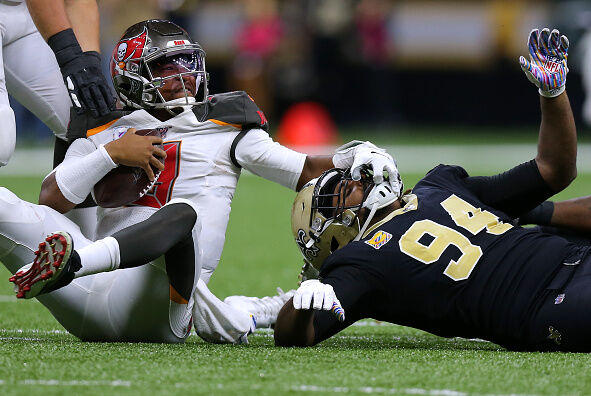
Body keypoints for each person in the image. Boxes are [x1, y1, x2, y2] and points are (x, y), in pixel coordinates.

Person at [4, 19, 399, 344]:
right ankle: (73, 263)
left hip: (158, 308)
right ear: (132, 75)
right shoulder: (107, 129)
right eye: (166, 67)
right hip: (89, 294)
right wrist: (112, 154)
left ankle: (73, 261)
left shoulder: (223, 126)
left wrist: (352, 155)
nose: (184, 76)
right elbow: (51, 197)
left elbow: (302, 170)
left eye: (186, 63)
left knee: (181, 217)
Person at [274, 28, 591, 353]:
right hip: (551, 304)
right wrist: (302, 304)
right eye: (340, 190)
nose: (355, 179)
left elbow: (554, 170)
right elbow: (293, 335)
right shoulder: (360, 262)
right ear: (335, 232)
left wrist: (552, 93)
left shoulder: (439, 182)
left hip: (577, 256)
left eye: (346, 177)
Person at [1, 0, 116, 239]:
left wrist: (89, 64)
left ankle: (84, 254)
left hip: (24, 12)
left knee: (87, 117)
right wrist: (71, 58)